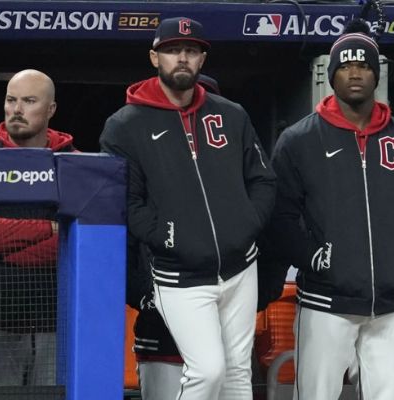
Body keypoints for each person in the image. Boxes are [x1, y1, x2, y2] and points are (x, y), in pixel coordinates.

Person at [99, 17, 275, 400]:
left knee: (237, 374)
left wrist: (246, 224)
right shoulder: (125, 125)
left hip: (240, 267)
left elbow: (263, 179)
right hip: (179, 273)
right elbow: (127, 202)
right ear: (154, 58)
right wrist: (168, 238)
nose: (182, 58)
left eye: (191, 50)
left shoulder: (231, 114)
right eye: (172, 50)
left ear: (202, 59)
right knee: (207, 372)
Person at [269, 19, 394, 400]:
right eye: (345, 65)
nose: (355, 73)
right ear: (332, 74)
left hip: (392, 303)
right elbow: (280, 216)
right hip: (325, 301)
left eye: (363, 65)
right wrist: (314, 259)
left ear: (375, 74)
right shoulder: (299, 140)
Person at [0, 69, 76, 386]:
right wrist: (50, 228)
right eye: (11, 100)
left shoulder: (75, 163)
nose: (16, 110)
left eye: (29, 101)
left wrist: (5, 248)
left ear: (51, 109)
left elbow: (78, 240)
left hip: (55, 326)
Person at [127, 74, 223, 400]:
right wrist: (148, 296)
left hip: (226, 329)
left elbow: (263, 241)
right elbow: (123, 249)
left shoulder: (233, 174)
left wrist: (257, 297)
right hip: (161, 335)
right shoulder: (144, 170)